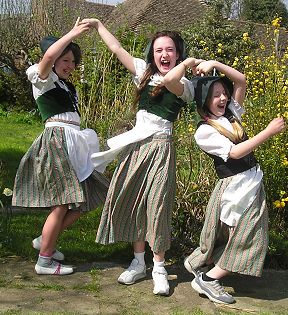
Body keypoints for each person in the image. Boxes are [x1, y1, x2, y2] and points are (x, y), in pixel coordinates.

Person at [81, 18, 202, 295]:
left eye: (170, 50)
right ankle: (138, 262)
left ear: (178, 53)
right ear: (153, 53)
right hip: (136, 147)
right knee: (133, 201)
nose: (164, 55)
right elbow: (116, 49)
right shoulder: (143, 73)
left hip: (160, 148)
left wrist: (189, 63)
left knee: (157, 205)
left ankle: (159, 266)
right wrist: (99, 26)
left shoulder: (186, 85)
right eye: (159, 50)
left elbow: (171, 79)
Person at [165, 58, 286, 304]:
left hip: (251, 182)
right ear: (203, 101)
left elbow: (241, 80)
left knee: (231, 235)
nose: (222, 98)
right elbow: (234, 153)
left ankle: (200, 266)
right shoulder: (204, 131)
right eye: (215, 94)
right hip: (235, 187)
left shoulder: (231, 114)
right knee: (250, 236)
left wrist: (214, 64)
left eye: (224, 93)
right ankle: (208, 280)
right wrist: (268, 132)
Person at [12, 18, 109, 275]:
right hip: (56, 141)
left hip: (74, 142)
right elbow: (47, 58)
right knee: (62, 203)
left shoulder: (68, 87)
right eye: (65, 60)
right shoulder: (42, 78)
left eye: (73, 61)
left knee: (90, 195)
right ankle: (44, 260)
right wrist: (72, 33)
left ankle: (46, 241)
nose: (70, 65)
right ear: (53, 59)